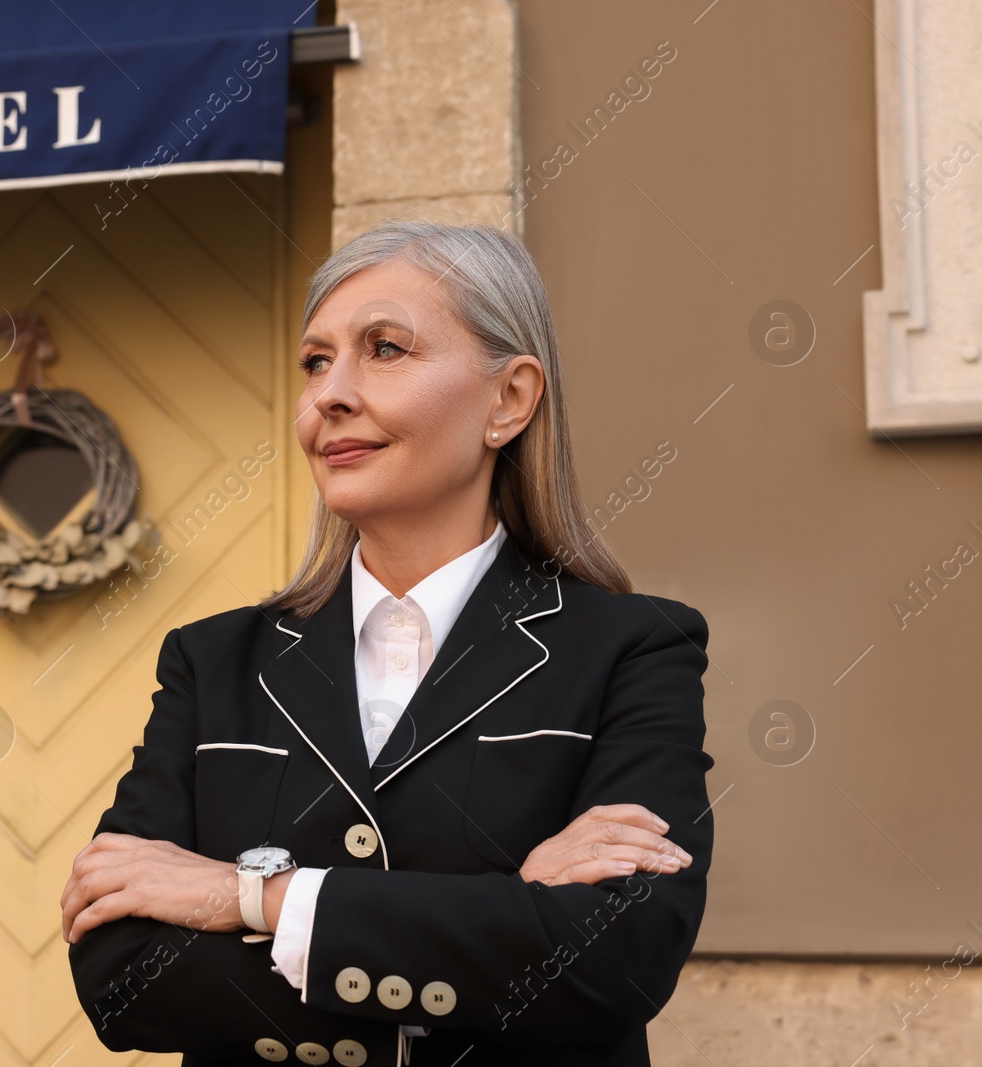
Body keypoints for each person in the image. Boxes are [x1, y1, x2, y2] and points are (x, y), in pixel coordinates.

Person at [60, 220, 714, 1066]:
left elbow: (614, 964)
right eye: (315, 360)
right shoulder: (211, 661)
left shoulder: (634, 649)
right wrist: (505, 912)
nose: (329, 394)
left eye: (385, 348)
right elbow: (122, 973)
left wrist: (249, 895)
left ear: (508, 400)